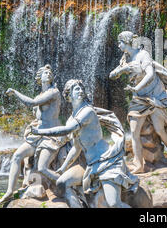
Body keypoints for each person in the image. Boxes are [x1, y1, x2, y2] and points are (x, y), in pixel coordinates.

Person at [31, 79, 139, 208]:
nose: (81, 91)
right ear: (68, 95)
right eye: (76, 89)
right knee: (62, 183)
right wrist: (63, 167)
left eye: (82, 88)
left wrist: (40, 131)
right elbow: (76, 148)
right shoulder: (72, 117)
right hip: (90, 165)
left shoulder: (88, 111)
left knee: (114, 203)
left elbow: (67, 130)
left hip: (107, 162)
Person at [109, 31, 167, 173]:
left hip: (153, 97)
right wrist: (119, 71)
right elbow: (112, 74)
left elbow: (150, 74)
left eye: (120, 42)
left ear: (127, 41)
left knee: (160, 130)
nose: (118, 45)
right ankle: (138, 165)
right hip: (138, 99)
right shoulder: (125, 58)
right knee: (134, 132)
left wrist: (136, 87)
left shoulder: (143, 55)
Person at [0, 64, 66, 203]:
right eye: (45, 73)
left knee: (42, 168)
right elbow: (38, 116)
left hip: (50, 135)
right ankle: (9, 191)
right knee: (17, 155)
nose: (48, 74)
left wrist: (15, 92)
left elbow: (32, 103)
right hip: (37, 135)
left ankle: (66, 183)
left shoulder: (54, 91)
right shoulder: (40, 95)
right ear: (39, 77)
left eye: (50, 73)